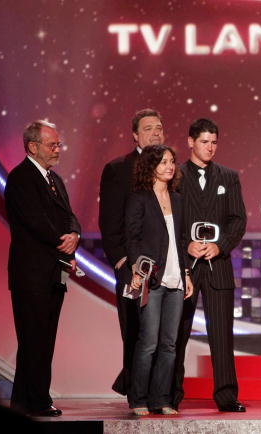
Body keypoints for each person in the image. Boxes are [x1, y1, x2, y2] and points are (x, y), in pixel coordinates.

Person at [5, 120, 81, 416]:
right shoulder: (21, 178)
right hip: (31, 273)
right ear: (32, 147)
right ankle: (37, 400)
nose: (57, 149)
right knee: (33, 338)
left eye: (58, 144)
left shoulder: (55, 179)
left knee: (43, 338)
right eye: (52, 145)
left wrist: (74, 234)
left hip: (54, 272)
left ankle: (24, 400)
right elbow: (35, 221)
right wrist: (61, 241)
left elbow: (69, 215)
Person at [173, 118, 247, 412]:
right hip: (185, 266)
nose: (210, 147)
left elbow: (237, 219)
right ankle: (170, 393)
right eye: (204, 141)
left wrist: (220, 246)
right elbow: (170, 220)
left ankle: (227, 396)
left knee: (221, 334)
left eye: (214, 142)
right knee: (177, 332)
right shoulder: (175, 175)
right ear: (190, 142)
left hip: (219, 265)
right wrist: (185, 245)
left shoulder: (228, 176)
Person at [99, 108, 164, 395]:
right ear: (135, 134)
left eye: (159, 128)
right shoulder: (118, 169)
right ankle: (135, 391)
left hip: (163, 264)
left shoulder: (170, 168)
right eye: (149, 128)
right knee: (135, 329)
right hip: (132, 265)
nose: (156, 133)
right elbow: (109, 218)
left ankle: (157, 390)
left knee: (162, 332)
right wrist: (121, 258)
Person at [125, 145, 192, 416]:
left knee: (169, 344)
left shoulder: (177, 199)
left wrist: (186, 274)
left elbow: (182, 240)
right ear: (150, 165)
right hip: (152, 278)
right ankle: (138, 399)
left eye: (172, 161)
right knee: (148, 341)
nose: (169, 166)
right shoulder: (139, 198)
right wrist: (136, 270)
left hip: (176, 278)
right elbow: (132, 237)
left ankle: (161, 399)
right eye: (163, 161)